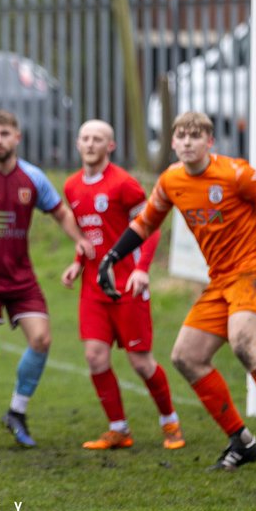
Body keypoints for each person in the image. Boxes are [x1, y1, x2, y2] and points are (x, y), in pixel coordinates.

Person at [97, 111, 256, 471]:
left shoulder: (234, 173)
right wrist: (111, 258)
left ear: (209, 142)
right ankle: (241, 441)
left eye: (195, 136)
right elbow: (145, 223)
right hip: (222, 280)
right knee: (186, 355)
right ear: (172, 142)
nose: (187, 142)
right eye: (181, 136)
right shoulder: (171, 180)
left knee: (244, 341)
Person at [0, 109, 91, 449]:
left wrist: (79, 240)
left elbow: (61, 211)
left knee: (41, 340)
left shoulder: (33, 178)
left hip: (22, 277)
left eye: (4, 134)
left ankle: (17, 412)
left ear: (17, 137)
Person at [60, 120, 183, 451]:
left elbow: (151, 227)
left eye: (97, 139)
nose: (90, 144)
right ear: (77, 143)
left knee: (141, 361)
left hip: (127, 284)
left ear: (110, 146)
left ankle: (170, 421)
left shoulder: (124, 184)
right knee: (95, 357)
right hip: (93, 288)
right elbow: (91, 234)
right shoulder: (71, 186)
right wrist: (76, 261)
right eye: (84, 138)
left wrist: (142, 270)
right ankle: (118, 429)